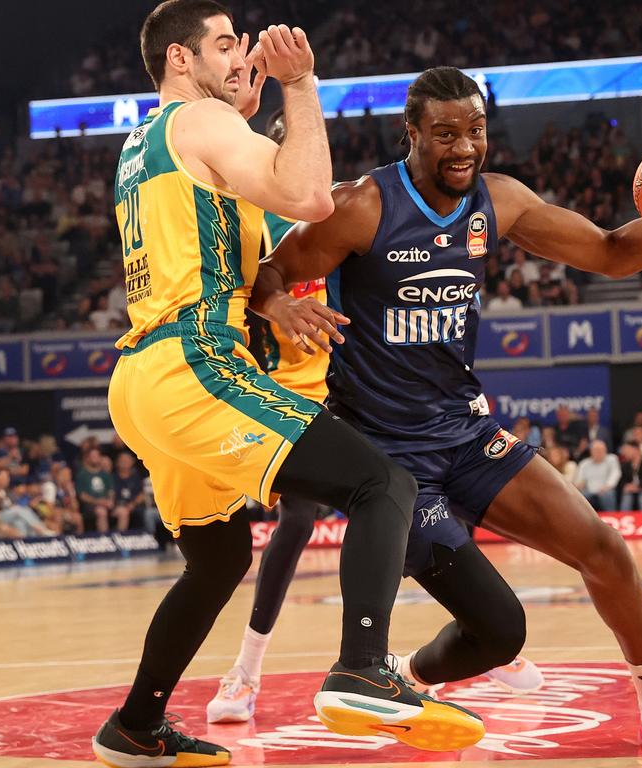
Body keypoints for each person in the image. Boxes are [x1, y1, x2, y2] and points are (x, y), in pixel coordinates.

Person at [253, 66, 642, 754]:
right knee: (500, 632)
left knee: (604, 549)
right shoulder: (363, 205)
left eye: (476, 130)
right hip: (390, 464)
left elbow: (612, 253)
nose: (464, 146)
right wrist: (279, 302)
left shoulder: (502, 202)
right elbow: (272, 269)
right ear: (412, 135)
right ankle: (396, 673)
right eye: (445, 133)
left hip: (465, 432)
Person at [92, 6, 483, 767]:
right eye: (225, 45)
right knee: (383, 483)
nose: (241, 57)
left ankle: (135, 724)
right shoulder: (198, 119)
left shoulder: (146, 140)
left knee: (218, 559)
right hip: (195, 365)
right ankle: (365, 669)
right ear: (180, 57)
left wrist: (269, 295)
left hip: (142, 377)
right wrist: (301, 85)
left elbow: (228, 202)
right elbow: (308, 197)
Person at [207, 112, 544, 725]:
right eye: (287, 153)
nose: (302, 164)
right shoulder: (261, 224)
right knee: (297, 521)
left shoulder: (340, 207)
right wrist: (275, 308)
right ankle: (247, 670)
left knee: (435, 490)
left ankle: (483, 630)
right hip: (293, 390)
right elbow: (251, 292)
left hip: (362, 391)